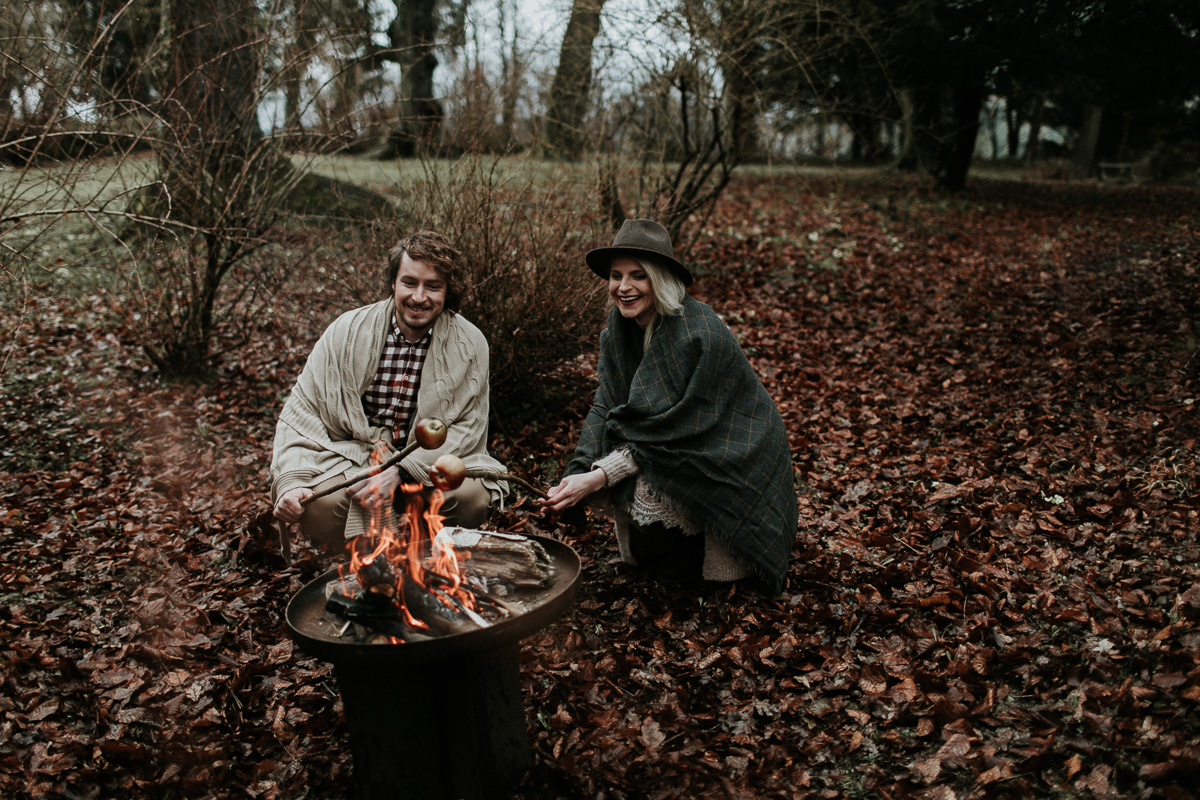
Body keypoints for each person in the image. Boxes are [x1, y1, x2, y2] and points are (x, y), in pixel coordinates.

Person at [542, 219, 797, 594]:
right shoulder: (618, 330)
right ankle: (664, 554)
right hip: (667, 444)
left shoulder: (699, 332)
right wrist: (577, 471)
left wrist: (597, 477)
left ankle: (700, 563)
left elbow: (670, 434)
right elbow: (607, 405)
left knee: (649, 488)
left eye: (638, 276)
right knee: (634, 501)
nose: (623, 287)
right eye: (616, 276)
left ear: (660, 280)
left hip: (733, 451)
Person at [271, 230, 507, 551]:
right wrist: (290, 482)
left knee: (471, 499)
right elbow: (302, 411)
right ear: (393, 283)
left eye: (433, 286)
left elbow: (468, 428)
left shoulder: (470, 343)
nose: (419, 297)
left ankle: (424, 552)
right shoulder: (346, 331)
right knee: (318, 507)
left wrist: (402, 469)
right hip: (352, 460)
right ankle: (362, 561)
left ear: (448, 291)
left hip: (426, 463)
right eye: (409, 282)